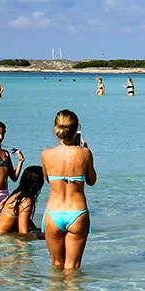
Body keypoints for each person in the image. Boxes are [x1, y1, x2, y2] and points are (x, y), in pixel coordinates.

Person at [41, 110, 97, 271]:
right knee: (72, 268)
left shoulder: (46, 154)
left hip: (53, 212)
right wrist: (86, 152)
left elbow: (48, 180)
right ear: (76, 129)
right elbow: (91, 181)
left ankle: (53, 289)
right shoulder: (85, 153)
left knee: (56, 265)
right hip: (77, 212)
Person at [0, 165, 45, 237]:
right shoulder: (26, 201)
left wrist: (37, 230)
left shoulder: (18, 194)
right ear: (37, 182)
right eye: (42, 179)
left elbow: (24, 219)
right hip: (3, 238)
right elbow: (23, 233)